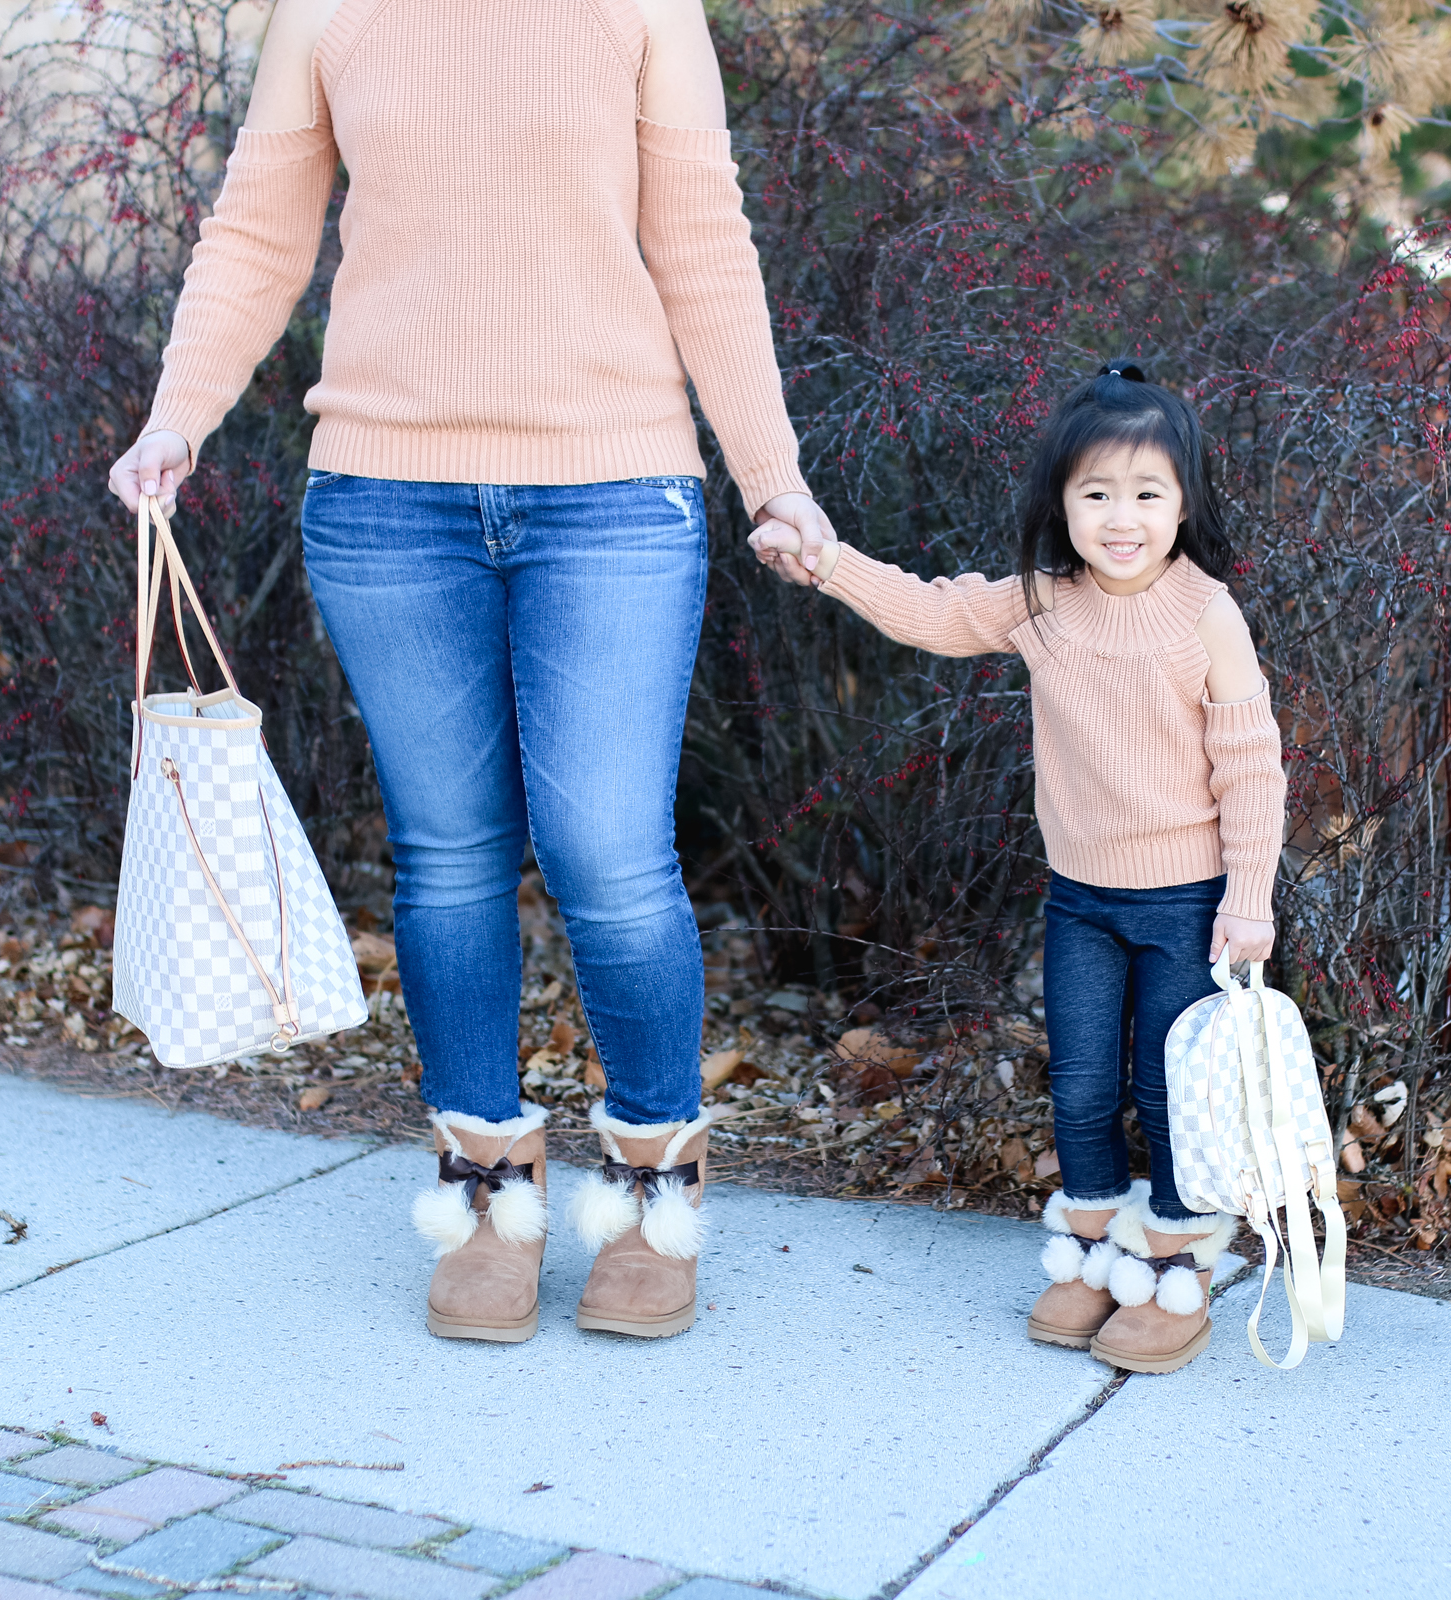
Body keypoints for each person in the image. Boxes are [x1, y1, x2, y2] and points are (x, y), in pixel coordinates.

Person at [105, 0, 839, 1345]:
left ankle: (650, 1196)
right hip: (388, 502)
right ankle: (490, 1188)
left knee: (607, 853)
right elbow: (260, 229)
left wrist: (771, 476)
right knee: (446, 853)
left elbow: (702, 244)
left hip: (615, 495)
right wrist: (178, 413)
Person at [749, 364, 1286, 1374]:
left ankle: (1175, 1268)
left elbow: (1251, 766)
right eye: (1095, 494)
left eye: (1146, 494)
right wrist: (825, 561)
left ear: (1184, 503)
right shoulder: (1042, 605)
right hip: (1079, 898)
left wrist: (1248, 901)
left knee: (1171, 1091)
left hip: (1188, 902)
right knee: (1081, 1084)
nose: (1120, 518)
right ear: (1061, 503)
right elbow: (930, 612)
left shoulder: (1206, 613)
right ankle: (1088, 1255)